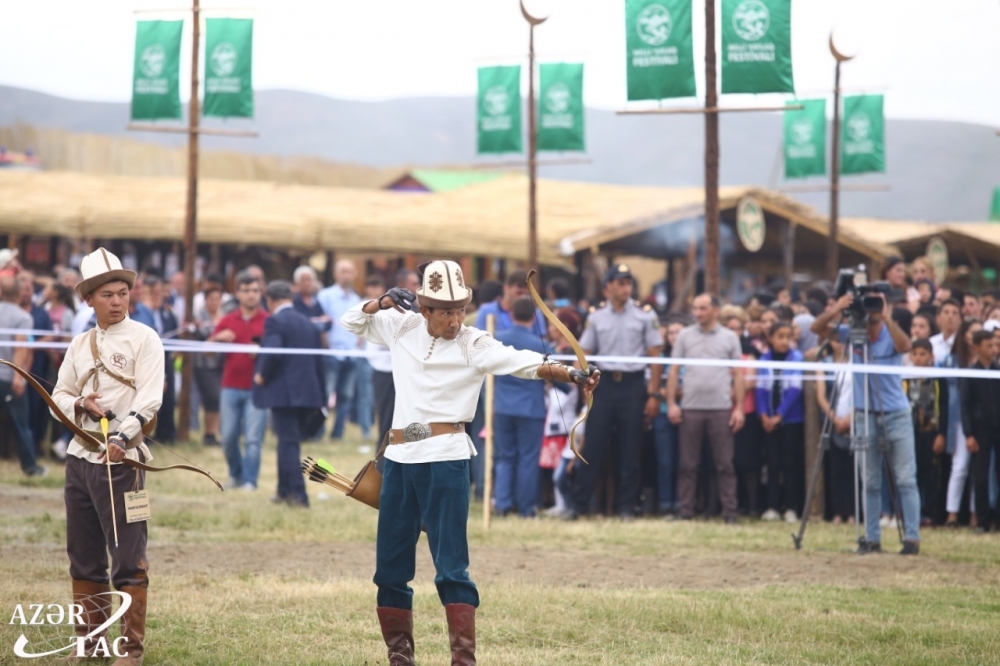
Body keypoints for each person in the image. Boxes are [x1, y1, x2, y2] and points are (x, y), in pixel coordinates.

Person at [341, 259, 598, 666]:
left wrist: (571, 372)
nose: (455, 320)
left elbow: (521, 361)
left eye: (460, 309)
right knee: (389, 567)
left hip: (447, 459)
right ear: (424, 309)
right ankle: (399, 657)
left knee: (451, 568)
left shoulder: (473, 342)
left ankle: (463, 660)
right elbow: (352, 321)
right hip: (399, 459)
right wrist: (383, 301)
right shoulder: (401, 326)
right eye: (446, 312)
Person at [51, 247, 165, 664]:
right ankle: (91, 642)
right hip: (80, 460)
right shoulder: (80, 343)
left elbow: (150, 399)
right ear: (88, 300)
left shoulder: (145, 338)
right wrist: (81, 403)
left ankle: (130, 650)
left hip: (123, 464)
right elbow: (58, 397)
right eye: (107, 295)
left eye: (122, 293)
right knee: (83, 558)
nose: (117, 302)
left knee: (129, 559)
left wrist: (123, 435)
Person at [811, 291, 920, 554]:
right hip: (864, 414)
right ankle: (872, 538)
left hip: (896, 414)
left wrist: (886, 317)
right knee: (869, 480)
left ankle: (912, 538)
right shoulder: (853, 334)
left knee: (905, 479)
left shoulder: (890, 333)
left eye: (874, 309)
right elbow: (817, 329)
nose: (870, 315)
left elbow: (905, 346)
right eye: (867, 309)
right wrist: (837, 309)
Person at [571, 264, 662, 520]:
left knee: (630, 448)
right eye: (620, 283)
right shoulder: (597, 316)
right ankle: (580, 504)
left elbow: (655, 356)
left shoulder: (645, 315)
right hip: (604, 384)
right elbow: (585, 353)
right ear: (608, 287)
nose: (626, 288)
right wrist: (582, 384)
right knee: (593, 444)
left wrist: (654, 394)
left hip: (633, 385)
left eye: (628, 283)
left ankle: (626, 507)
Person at [667, 293, 744, 523]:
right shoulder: (685, 336)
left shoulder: (730, 338)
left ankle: (730, 511)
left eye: (702, 308)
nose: (697, 313)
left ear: (715, 311)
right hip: (691, 407)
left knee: (725, 464)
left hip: (721, 408)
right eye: (695, 308)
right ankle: (686, 510)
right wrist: (671, 403)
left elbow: (738, 375)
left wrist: (739, 408)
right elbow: (673, 371)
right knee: (687, 464)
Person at [253, 281, 326, 508]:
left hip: (284, 394)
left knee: (288, 444)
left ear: (269, 300)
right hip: (307, 392)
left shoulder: (275, 321)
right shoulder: (307, 322)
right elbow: (319, 360)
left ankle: (298, 495)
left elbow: (273, 351)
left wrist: (262, 374)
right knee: (287, 442)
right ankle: (283, 491)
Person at [210, 271, 269, 490]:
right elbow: (206, 351)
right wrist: (218, 339)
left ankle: (250, 481)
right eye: (246, 291)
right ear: (237, 293)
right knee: (227, 437)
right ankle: (235, 475)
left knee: (253, 439)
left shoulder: (268, 321)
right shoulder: (227, 320)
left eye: (255, 290)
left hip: (258, 389)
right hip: (230, 387)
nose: (251, 295)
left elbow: (278, 355)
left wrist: (262, 352)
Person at [493, 297, 550, 518]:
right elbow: (556, 377)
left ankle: (502, 504)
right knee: (528, 459)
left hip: (503, 407)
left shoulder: (498, 339)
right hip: (531, 409)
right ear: (533, 318)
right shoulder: (540, 344)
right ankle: (526, 508)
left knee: (504, 457)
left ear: (511, 314)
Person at [756, 322, 805, 523]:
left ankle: (791, 506)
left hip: (791, 420)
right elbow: (761, 389)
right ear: (771, 338)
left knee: (790, 463)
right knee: (772, 463)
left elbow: (795, 390)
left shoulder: (797, 358)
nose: (784, 341)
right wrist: (763, 415)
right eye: (780, 336)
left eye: (788, 337)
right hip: (768, 420)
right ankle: (772, 506)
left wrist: (779, 415)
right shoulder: (764, 360)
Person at [0, 274, 46, 476]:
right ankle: (30, 468)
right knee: (21, 425)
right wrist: (19, 377)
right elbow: (20, 348)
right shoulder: (23, 317)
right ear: (20, 294)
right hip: (9, 378)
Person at [905, 338, 949, 526]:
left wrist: (942, 434)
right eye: (915, 354)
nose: (918, 358)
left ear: (931, 356)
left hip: (931, 432)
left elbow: (944, 407)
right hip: (910, 432)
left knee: (931, 473)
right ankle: (912, 513)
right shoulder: (905, 378)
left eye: (923, 354)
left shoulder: (938, 378)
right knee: (912, 473)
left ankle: (930, 513)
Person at [317, 259, 362, 440]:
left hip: (351, 353)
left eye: (349, 271)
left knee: (346, 396)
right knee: (325, 395)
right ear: (336, 274)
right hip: (331, 352)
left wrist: (358, 343)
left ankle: (338, 433)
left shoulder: (356, 300)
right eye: (343, 271)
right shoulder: (325, 296)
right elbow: (321, 322)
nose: (346, 275)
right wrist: (325, 344)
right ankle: (318, 431)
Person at [961, 330, 1000, 533]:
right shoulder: (971, 373)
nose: (993, 349)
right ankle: (982, 521)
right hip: (980, 429)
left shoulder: (997, 370)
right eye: (988, 345)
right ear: (977, 347)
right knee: (981, 477)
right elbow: (965, 406)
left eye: (995, 345)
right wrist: (969, 434)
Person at [142, 274, 178, 443]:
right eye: (154, 293)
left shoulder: (168, 312)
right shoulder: (144, 312)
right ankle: (145, 433)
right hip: (147, 360)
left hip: (166, 358)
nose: (159, 296)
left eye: (161, 292)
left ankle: (166, 431)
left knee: (168, 397)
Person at [193, 286, 225, 446]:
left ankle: (213, 432)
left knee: (217, 399)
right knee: (212, 397)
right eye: (211, 299)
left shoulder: (223, 316)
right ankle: (209, 433)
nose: (214, 302)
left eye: (217, 299)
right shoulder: (199, 317)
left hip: (221, 362)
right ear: (205, 300)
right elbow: (204, 335)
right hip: (204, 364)